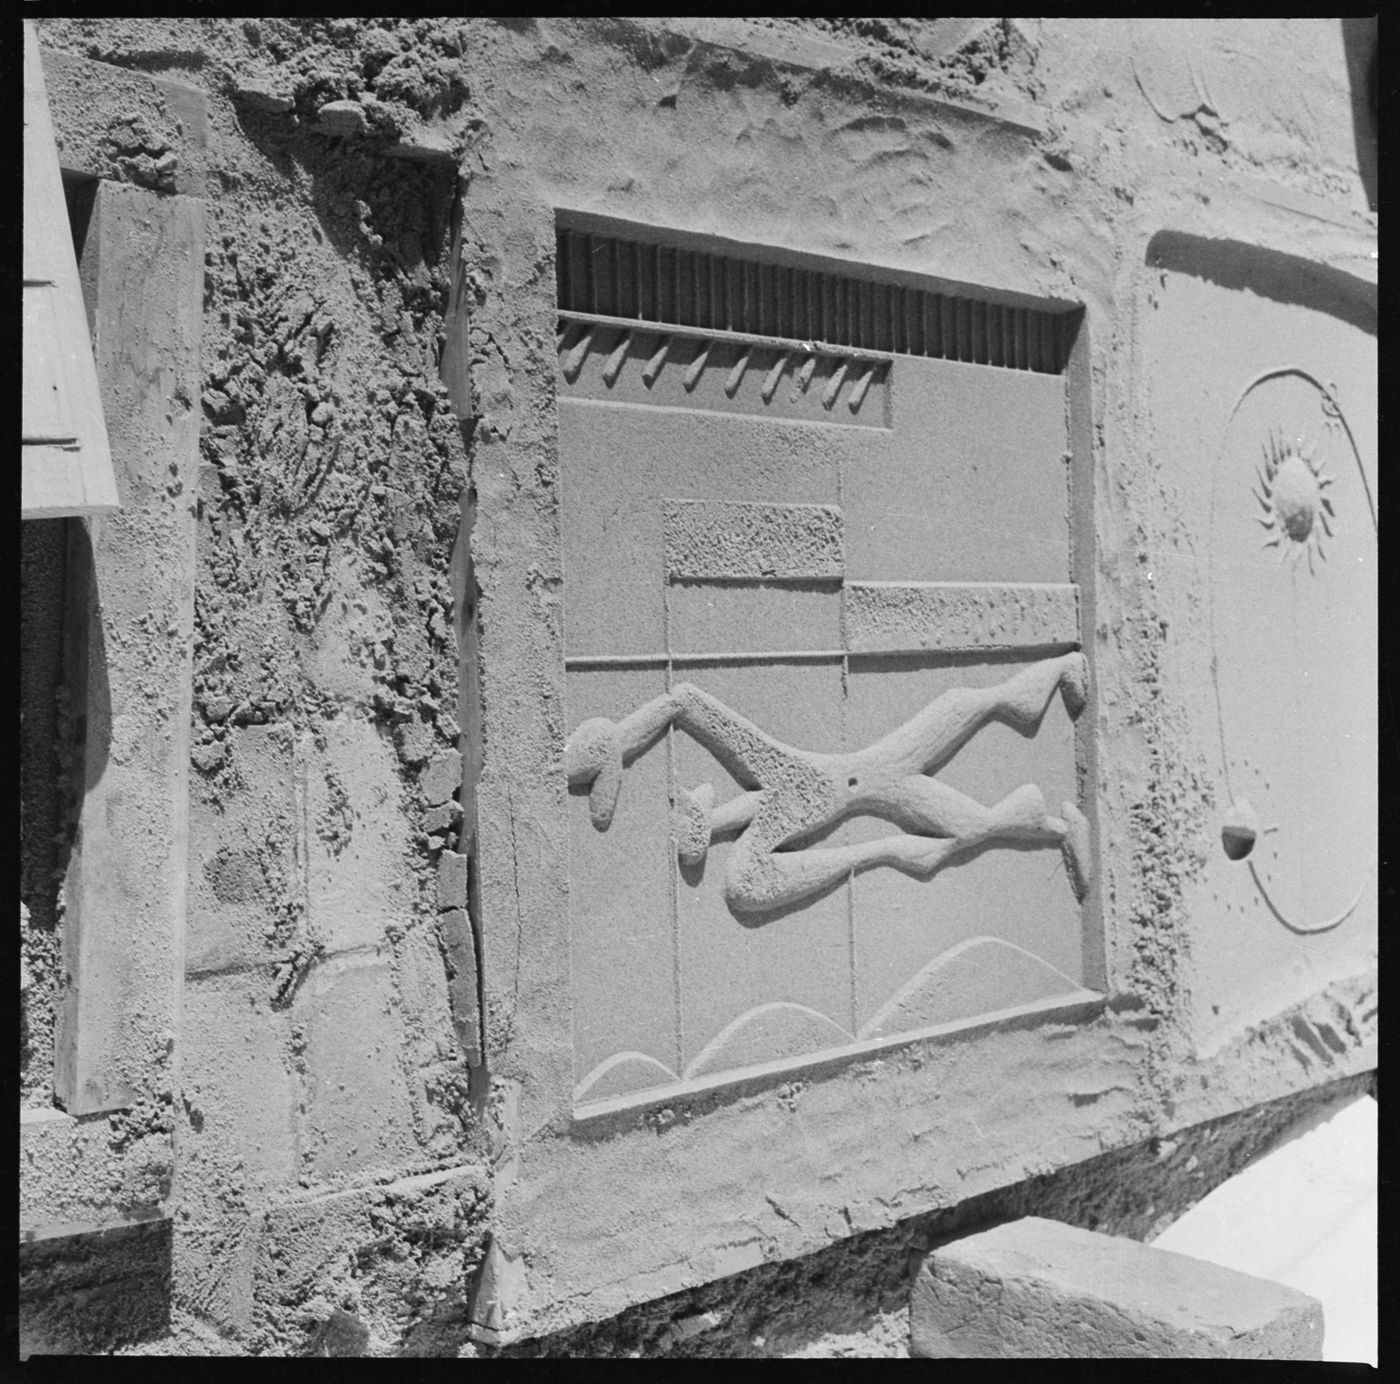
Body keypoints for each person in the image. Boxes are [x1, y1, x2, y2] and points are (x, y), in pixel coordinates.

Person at [565, 651, 1091, 914]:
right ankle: (1060, 829)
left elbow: (685, 701)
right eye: (701, 834)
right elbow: (749, 885)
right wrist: (874, 852)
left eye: (694, 824)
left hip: (881, 769)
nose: (703, 832)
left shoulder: (767, 768)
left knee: (967, 709)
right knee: (975, 824)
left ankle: (1053, 673)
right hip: (885, 788)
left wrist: (625, 739)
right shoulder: (765, 821)